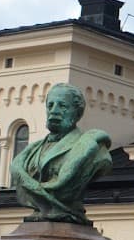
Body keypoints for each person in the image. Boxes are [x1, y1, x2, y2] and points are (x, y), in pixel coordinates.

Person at [9, 82, 112, 226]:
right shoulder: (31, 152)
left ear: (77, 112)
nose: (54, 111)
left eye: (62, 106)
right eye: (50, 105)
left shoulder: (94, 150)